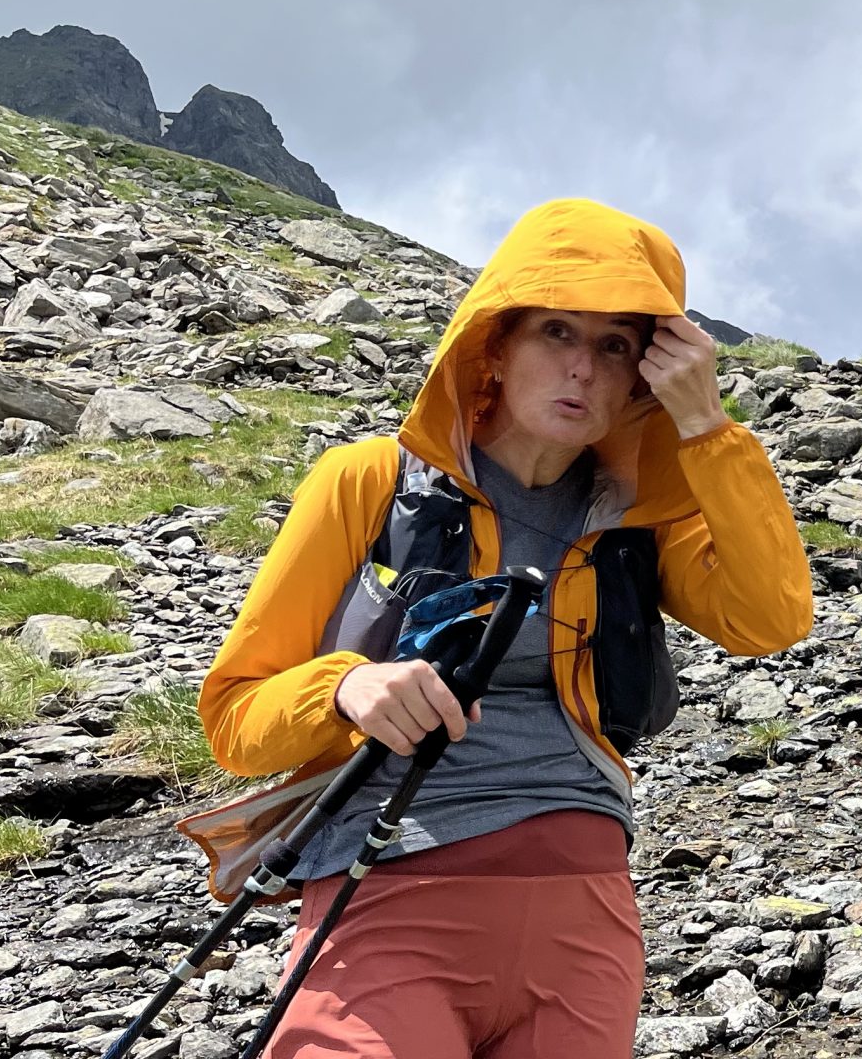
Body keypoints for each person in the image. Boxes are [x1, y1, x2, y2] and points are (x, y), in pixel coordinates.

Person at [191, 197, 813, 1058]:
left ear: (646, 373)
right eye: (556, 331)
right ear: (496, 343)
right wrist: (345, 686)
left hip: (585, 903)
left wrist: (707, 427)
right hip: (386, 890)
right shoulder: (370, 481)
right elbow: (235, 718)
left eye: (616, 346)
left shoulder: (637, 521)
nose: (583, 371)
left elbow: (771, 620)